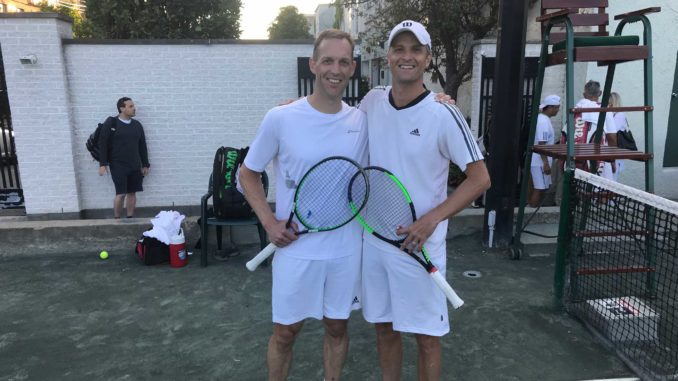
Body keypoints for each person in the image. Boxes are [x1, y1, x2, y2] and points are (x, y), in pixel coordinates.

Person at [358, 20, 491, 380]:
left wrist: (432, 218)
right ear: (388, 56)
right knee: (384, 329)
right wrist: (295, 106)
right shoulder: (371, 102)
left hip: (420, 248)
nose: (407, 56)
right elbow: (334, 119)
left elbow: (480, 179)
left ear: (427, 58)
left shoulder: (442, 113)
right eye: (399, 49)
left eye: (415, 49)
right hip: (375, 243)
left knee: (427, 338)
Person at [239, 30, 367, 381]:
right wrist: (269, 222)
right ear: (313, 64)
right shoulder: (280, 118)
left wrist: (439, 100)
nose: (335, 69)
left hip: (345, 251)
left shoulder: (363, 120)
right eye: (327, 60)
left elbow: (403, 107)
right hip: (295, 250)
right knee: (285, 333)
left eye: (343, 62)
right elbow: (247, 173)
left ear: (353, 68)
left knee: (337, 328)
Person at [98, 97, 150, 219]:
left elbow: (142, 145)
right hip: (118, 165)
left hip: (134, 164)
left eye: (133, 106)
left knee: (132, 193)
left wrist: (145, 164)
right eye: (130, 106)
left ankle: (130, 218)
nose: (134, 108)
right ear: (122, 108)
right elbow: (103, 144)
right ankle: (117, 220)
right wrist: (102, 164)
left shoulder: (137, 125)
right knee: (121, 194)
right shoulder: (111, 123)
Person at [563, 80, 617, 178]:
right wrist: (612, 159)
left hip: (572, 159)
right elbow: (612, 137)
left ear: (584, 94)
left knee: (575, 188)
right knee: (599, 188)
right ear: (600, 93)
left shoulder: (575, 110)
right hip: (597, 159)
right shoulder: (605, 109)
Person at [528, 94, 560, 207]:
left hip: (538, 161)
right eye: (557, 107)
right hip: (540, 161)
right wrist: (546, 163)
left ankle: (530, 209)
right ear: (551, 107)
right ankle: (532, 212)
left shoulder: (543, 119)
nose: (558, 110)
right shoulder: (543, 121)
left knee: (535, 187)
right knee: (539, 189)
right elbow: (542, 144)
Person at [608, 92, 627, 180]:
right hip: (608, 153)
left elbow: (612, 133)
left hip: (615, 153)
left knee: (612, 180)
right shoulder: (610, 115)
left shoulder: (619, 115)